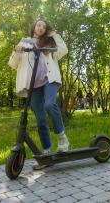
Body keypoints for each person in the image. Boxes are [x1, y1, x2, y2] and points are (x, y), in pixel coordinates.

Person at [8, 18, 69, 164]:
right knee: (40, 119)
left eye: (43, 26)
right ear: (34, 27)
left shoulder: (49, 43)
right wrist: (16, 52)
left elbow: (63, 50)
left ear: (46, 29)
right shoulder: (24, 42)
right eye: (38, 25)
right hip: (33, 85)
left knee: (49, 105)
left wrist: (54, 35)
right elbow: (12, 63)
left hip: (49, 79)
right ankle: (46, 152)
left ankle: (62, 138)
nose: (41, 27)